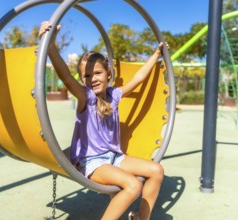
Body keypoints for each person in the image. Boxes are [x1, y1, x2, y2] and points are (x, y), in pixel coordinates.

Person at [39, 21, 168, 220]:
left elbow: (139, 79)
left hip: (114, 157)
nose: (93, 79)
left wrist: (156, 56)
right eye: (87, 75)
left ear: (108, 73)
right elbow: (65, 77)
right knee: (133, 185)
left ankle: (142, 218)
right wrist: (51, 46)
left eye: (98, 73)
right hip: (91, 161)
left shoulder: (114, 95)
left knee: (157, 171)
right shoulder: (86, 98)